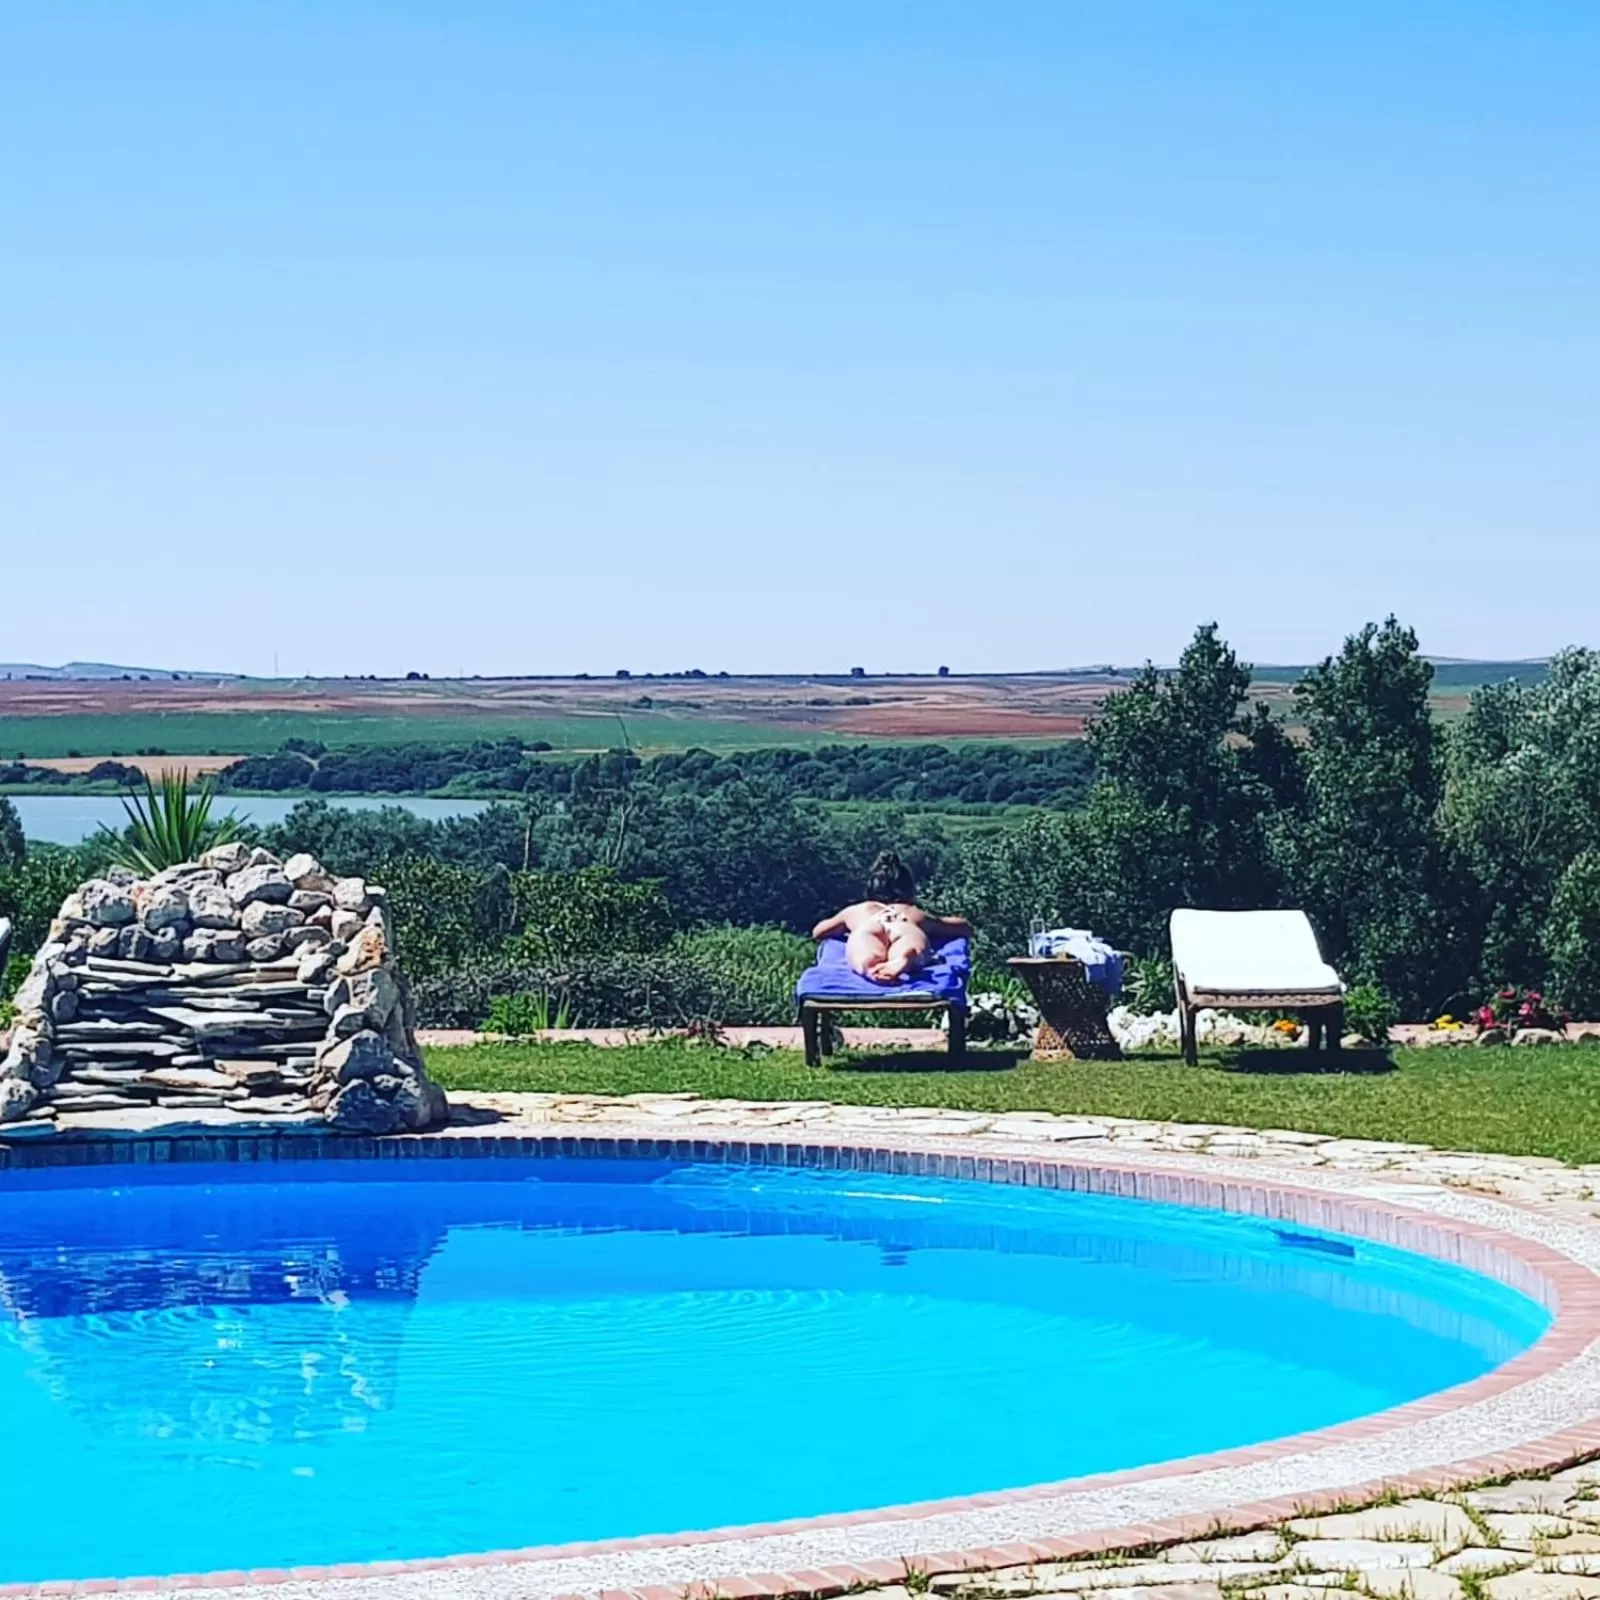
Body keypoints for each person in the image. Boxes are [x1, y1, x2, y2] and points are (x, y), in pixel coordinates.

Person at [811, 851, 971, 983]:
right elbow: (961, 927)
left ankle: (870, 967)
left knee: (863, 954)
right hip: (903, 924)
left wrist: (842, 925)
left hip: (868, 926)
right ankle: (904, 959)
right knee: (913, 947)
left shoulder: (857, 910)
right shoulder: (913, 912)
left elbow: (818, 932)